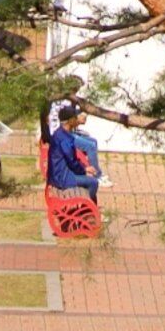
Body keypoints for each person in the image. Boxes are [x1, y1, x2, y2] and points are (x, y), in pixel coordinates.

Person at [42, 100, 105, 239]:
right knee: (93, 182)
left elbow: (72, 160)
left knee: (90, 180)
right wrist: (85, 170)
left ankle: (88, 211)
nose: (78, 119)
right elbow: (72, 162)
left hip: (60, 174)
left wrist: (85, 168)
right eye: (75, 117)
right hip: (62, 178)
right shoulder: (64, 139)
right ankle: (85, 212)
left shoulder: (61, 134)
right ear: (70, 121)